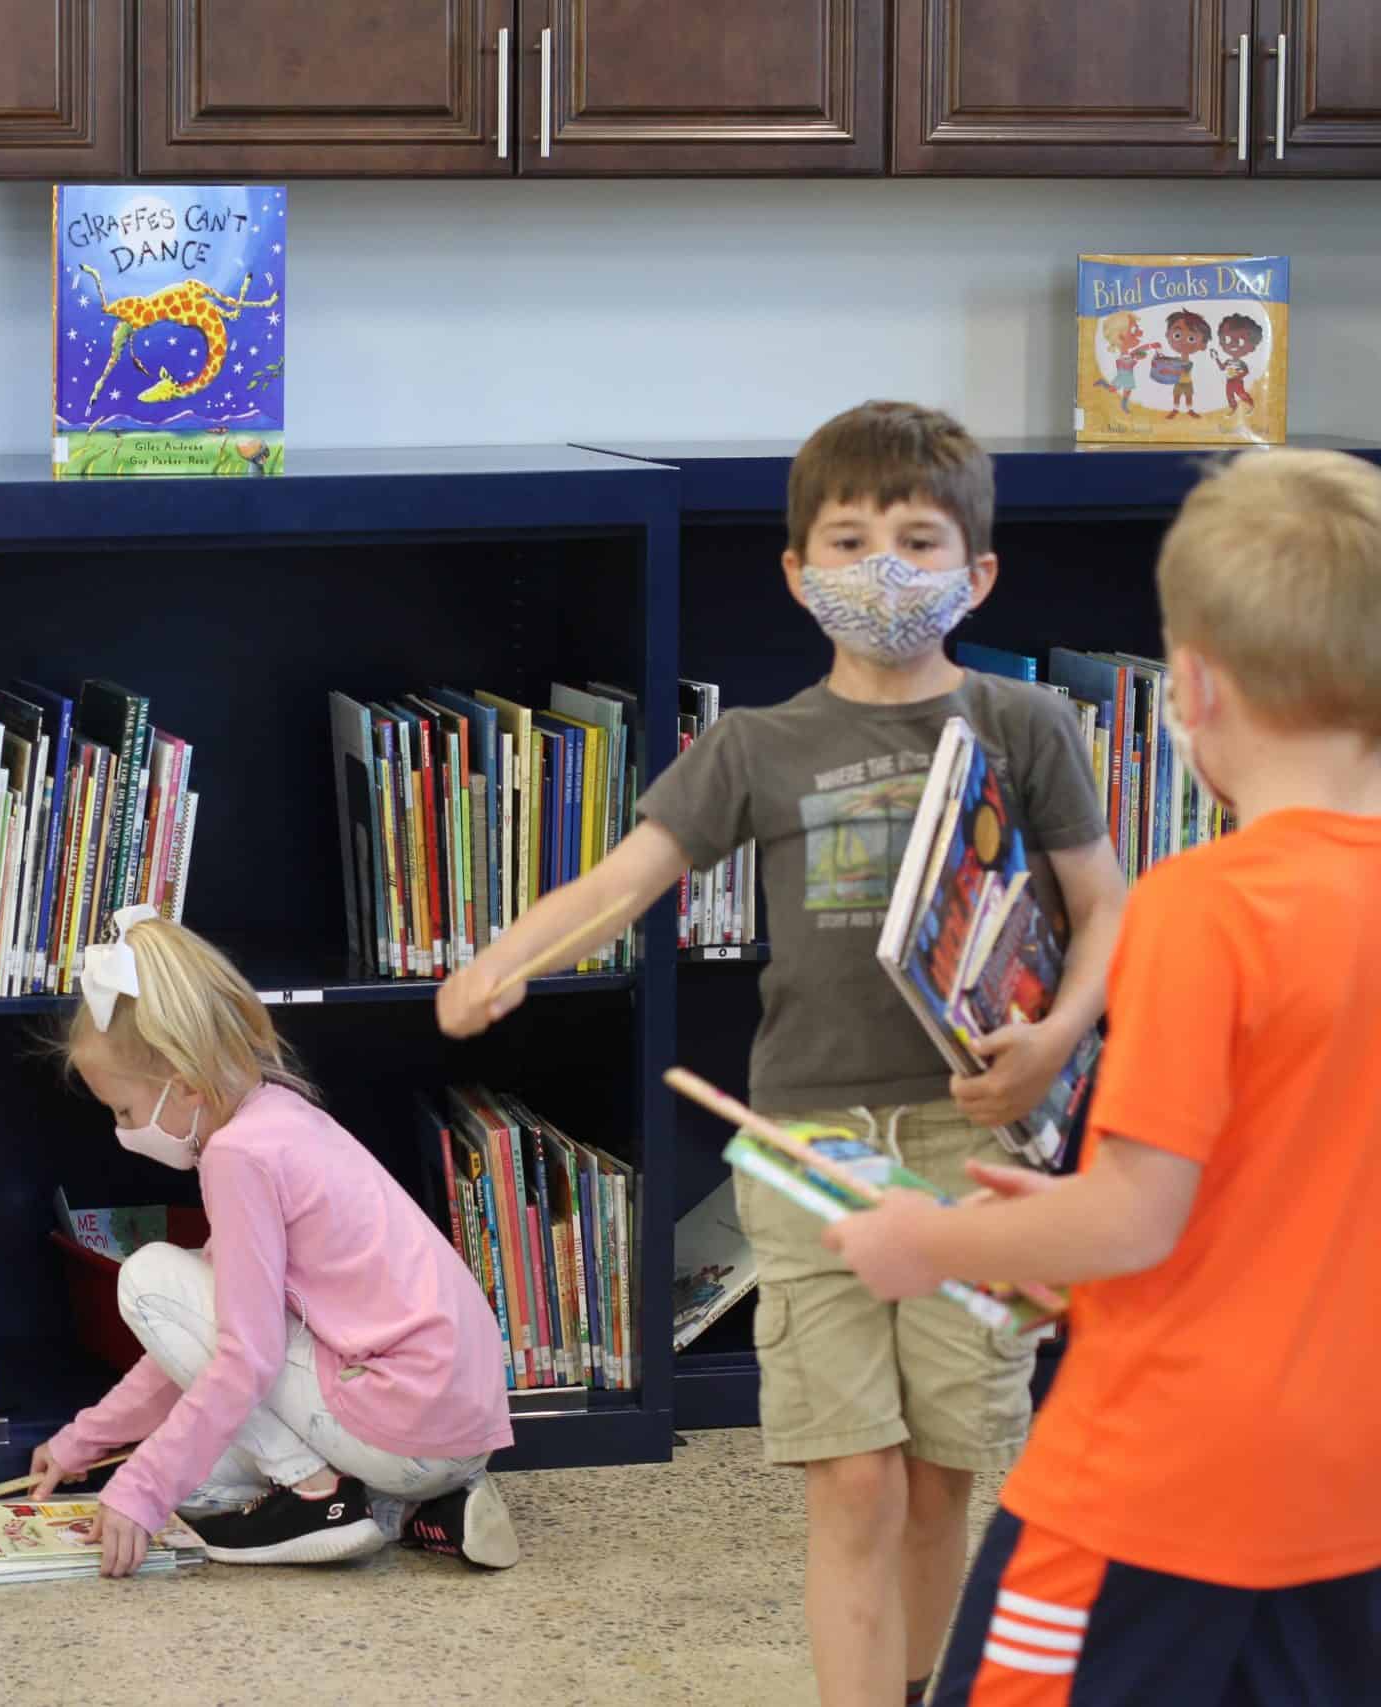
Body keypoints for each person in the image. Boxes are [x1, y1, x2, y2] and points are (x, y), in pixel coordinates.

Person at [439, 401, 1127, 1707]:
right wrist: (504, 957)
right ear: (798, 572)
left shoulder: (1025, 723)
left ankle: (918, 1684)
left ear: (978, 573)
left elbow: (1105, 907)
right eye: (850, 541)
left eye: (918, 541)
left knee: (938, 1475)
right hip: (809, 1150)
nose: (884, 568)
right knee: (852, 1476)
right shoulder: (755, 745)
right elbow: (624, 879)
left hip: (975, 1145)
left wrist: (1055, 1040)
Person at [827, 448, 1381, 1706]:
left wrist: (928, 1241)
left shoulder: (1202, 907)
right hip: (1348, 1488)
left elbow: (1134, 1216)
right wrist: (1064, 1232)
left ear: (1194, 688)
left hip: (1155, 1480)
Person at [26, 905, 520, 1575]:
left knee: (146, 1280)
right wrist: (84, 1442)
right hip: (455, 1428)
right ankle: (424, 1508)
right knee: (198, 1482)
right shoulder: (280, 1116)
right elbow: (195, 1340)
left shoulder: (236, 1158)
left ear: (184, 1083)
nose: (122, 1131)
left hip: (400, 1421)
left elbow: (240, 1355)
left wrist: (140, 1490)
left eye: (124, 1110)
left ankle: (317, 1495)